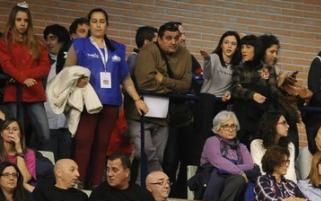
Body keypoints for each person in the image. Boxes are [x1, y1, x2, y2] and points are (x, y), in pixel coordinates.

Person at [65, 9, 147, 188]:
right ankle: (78, 182)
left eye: (102, 21)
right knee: (84, 142)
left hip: (111, 103)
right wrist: (76, 80)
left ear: (107, 25)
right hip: (88, 102)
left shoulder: (117, 48)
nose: (98, 25)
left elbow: (125, 78)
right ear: (89, 24)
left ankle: (95, 184)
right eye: (94, 21)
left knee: (102, 145)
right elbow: (67, 71)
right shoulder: (80, 45)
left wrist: (137, 99)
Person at [126, 22, 191, 175]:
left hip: (163, 115)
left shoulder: (185, 54)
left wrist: (164, 81)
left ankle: (146, 189)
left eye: (176, 38)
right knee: (146, 152)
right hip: (139, 113)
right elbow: (145, 83)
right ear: (159, 39)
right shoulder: (148, 51)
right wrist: (172, 88)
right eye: (168, 38)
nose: (173, 42)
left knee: (158, 156)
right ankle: (150, 186)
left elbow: (186, 86)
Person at [0, 4, 49, 150]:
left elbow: (45, 67)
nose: (22, 23)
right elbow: (6, 65)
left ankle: (38, 160)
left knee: (44, 133)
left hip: (34, 91)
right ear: (12, 21)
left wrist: (23, 77)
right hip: (13, 92)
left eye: (26, 20)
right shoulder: (4, 42)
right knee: (15, 135)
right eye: (18, 20)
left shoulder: (38, 42)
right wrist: (22, 79)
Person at [197, 111, 254, 201]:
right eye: (225, 126)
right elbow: (218, 161)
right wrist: (239, 171)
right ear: (218, 128)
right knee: (238, 179)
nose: (230, 129)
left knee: (240, 180)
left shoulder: (241, 146)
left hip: (234, 184)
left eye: (233, 125)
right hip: (211, 183)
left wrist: (230, 168)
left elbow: (250, 165)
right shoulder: (212, 141)